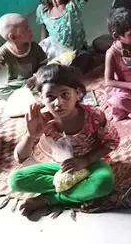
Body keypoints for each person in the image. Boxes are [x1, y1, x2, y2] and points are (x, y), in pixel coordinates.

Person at [9, 64, 120, 218]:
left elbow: (112, 142)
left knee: (103, 183)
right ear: (40, 98)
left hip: (93, 164)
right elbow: (21, 156)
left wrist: (86, 160)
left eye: (65, 95)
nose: (58, 103)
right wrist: (30, 135)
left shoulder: (94, 116)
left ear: (78, 94)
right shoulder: (42, 120)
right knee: (15, 180)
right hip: (62, 167)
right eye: (50, 96)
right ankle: (79, 193)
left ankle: (50, 199)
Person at [0, 13, 47, 100]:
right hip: (18, 84)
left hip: (35, 80)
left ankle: (26, 96)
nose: (30, 30)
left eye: (28, 27)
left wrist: (35, 77)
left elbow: (44, 66)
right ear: (12, 36)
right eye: (26, 28)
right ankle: (29, 96)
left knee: (50, 82)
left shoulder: (34, 47)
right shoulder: (4, 52)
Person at [104, 8, 131, 121]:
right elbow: (108, 81)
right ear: (117, 36)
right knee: (118, 101)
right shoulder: (112, 54)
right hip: (129, 89)